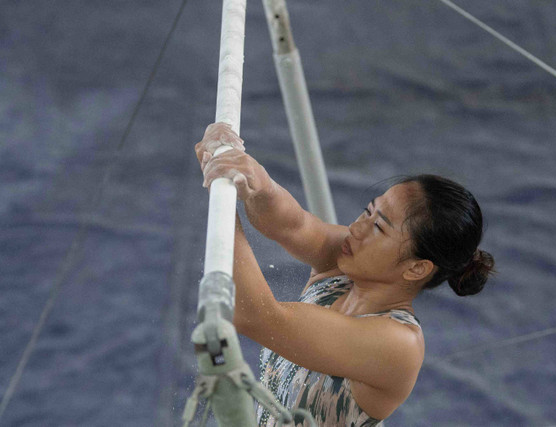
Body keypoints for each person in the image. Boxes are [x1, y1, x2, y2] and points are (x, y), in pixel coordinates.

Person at [195, 123, 495, 426]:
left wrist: (218, 200)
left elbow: (254, 316)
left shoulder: (398, 345)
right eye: (368, 211)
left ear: (417, 267)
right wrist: (251, 177)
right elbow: (291, 224)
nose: (357, 227)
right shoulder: (347, 259)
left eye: (378, 228)